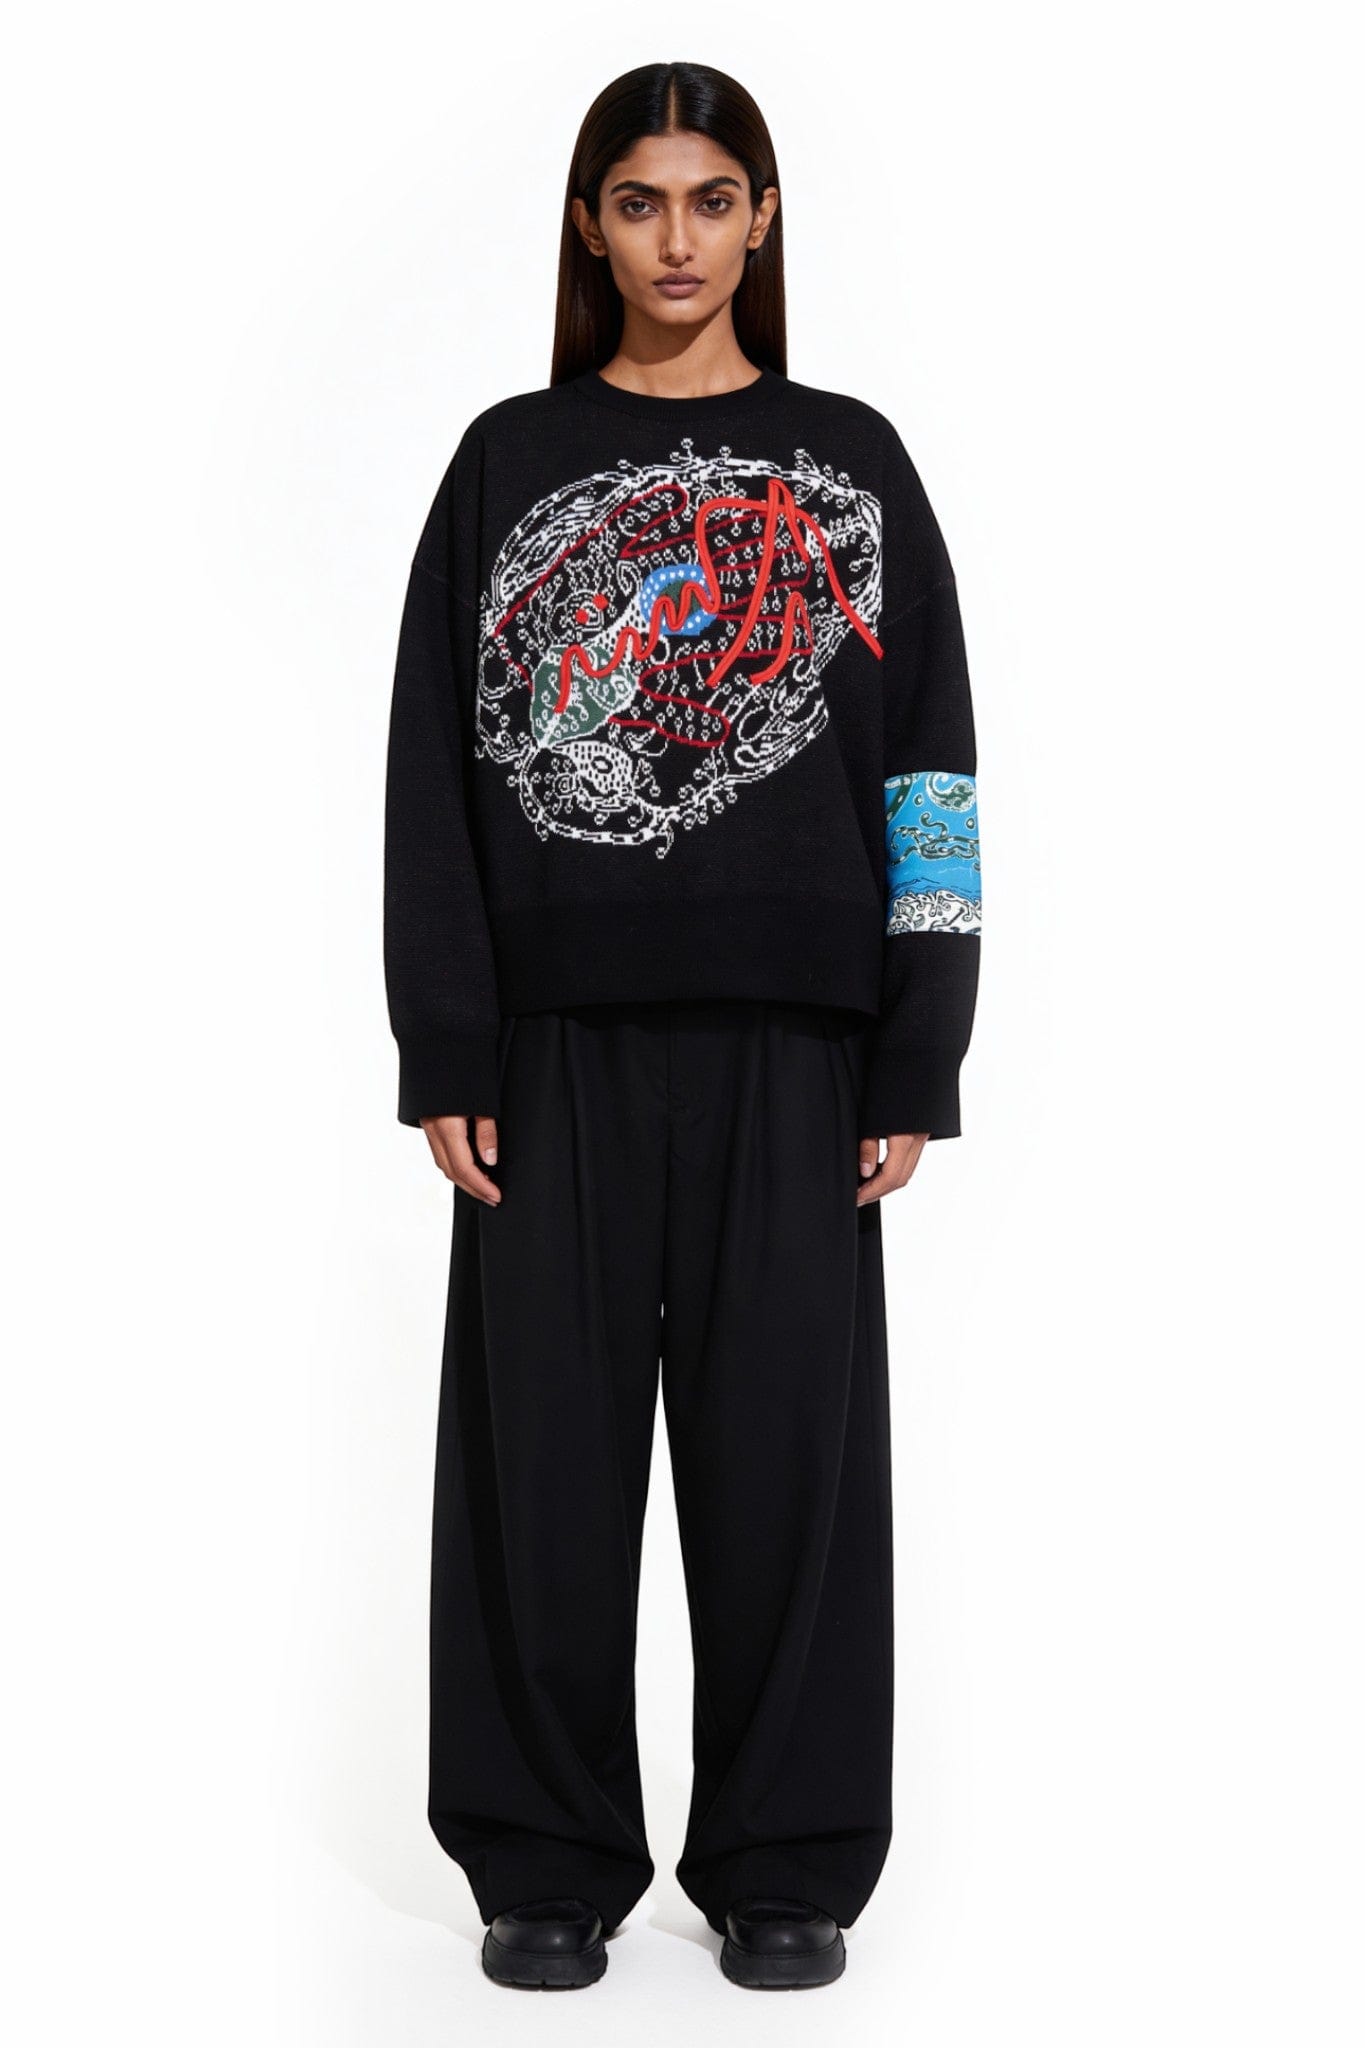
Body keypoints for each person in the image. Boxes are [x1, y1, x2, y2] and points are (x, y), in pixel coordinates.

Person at [382, 59, 982, 1993]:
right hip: (552, 1055)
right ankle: (542, 1858)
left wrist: (919, 1045)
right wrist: (446, 1042)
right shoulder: (507, 460)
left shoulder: (852, 459)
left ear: (761, 220)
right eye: (636, 201)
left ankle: (784, 1861)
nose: (674, 239)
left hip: (798, 1055)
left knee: (787, 1472)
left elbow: (930, 776)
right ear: (588, 225)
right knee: (537, 1472)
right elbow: (430, 777)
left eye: (710, 199)